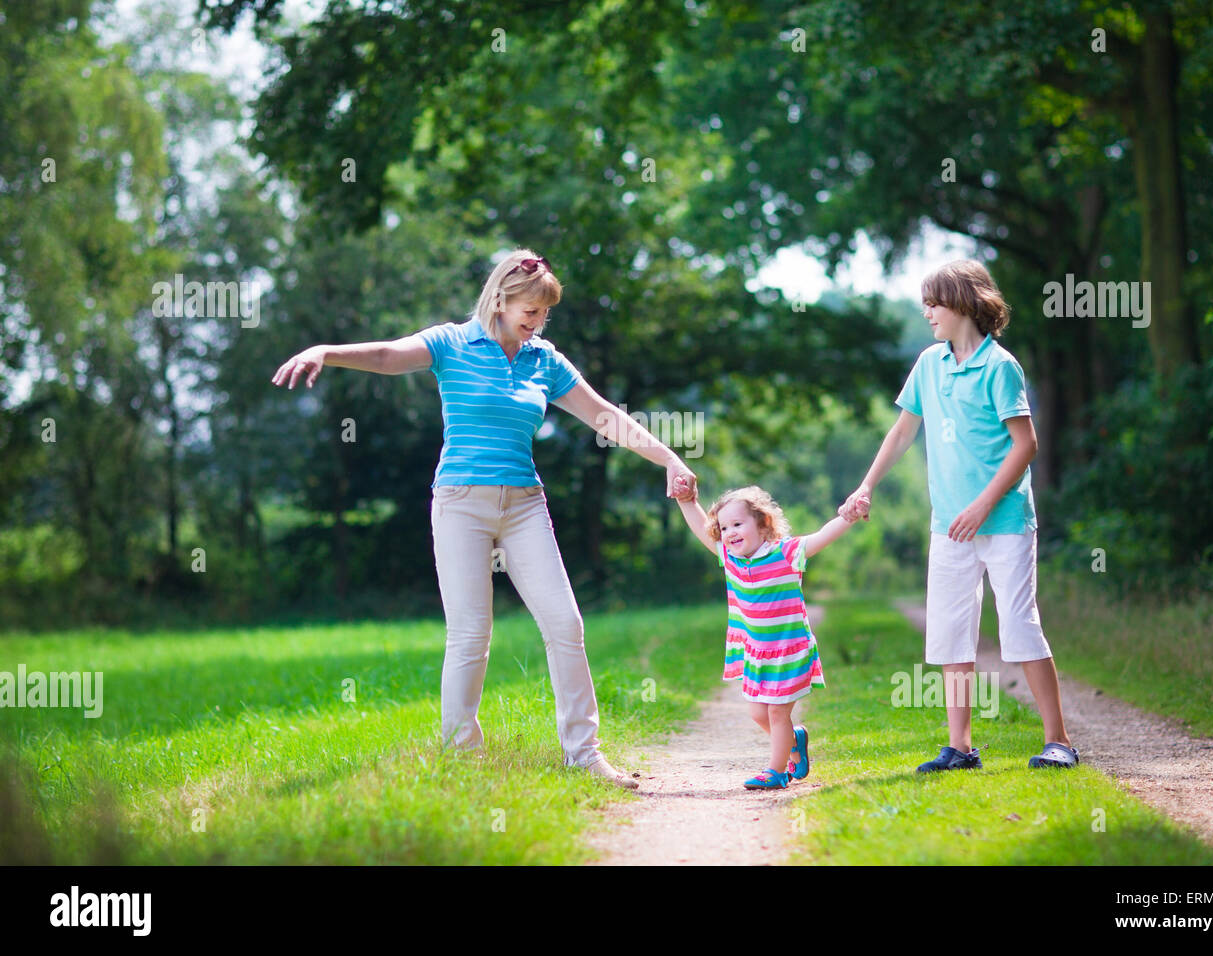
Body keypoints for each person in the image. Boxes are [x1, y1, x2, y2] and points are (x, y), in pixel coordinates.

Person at [271, 248, 698, 789]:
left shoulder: (544, 359)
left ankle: (585, 755)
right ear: (500, 298)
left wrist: (671, 458)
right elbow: (384, 357)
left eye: (545, 314)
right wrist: (325, 351)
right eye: (531, 311)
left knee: (565, 624)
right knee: (471, 633)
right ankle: (462, 760)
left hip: (525, 504)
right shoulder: (451, 342)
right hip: (460, 502)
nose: (539, 323)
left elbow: (606, 418)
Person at [839, 258, 1077, 772]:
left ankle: (1058, 740)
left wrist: (983, 503)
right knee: (952, 632)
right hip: (948, 526)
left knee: (1019, 626)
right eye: (924, 303)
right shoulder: (929, 363)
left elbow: (1026, 444)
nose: (927, 312)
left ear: (965, 304)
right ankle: (961, 748)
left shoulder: (1000, 367)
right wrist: (866, 485)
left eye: (934, 302)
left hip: (1006, 521)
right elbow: (902, 432)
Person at [671, 479, 853, 789]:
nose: (729, 533)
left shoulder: (786, 553)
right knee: (758, 714)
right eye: (724, 528)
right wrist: (685, 500)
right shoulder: (731, 559)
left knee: (777, 713)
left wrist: (848, 516)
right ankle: (794, 743)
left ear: (763, 524)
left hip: (790, 651)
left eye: (738, 524)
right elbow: (701, 528)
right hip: (758, 653)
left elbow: (821, 537)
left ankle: (777, 770)